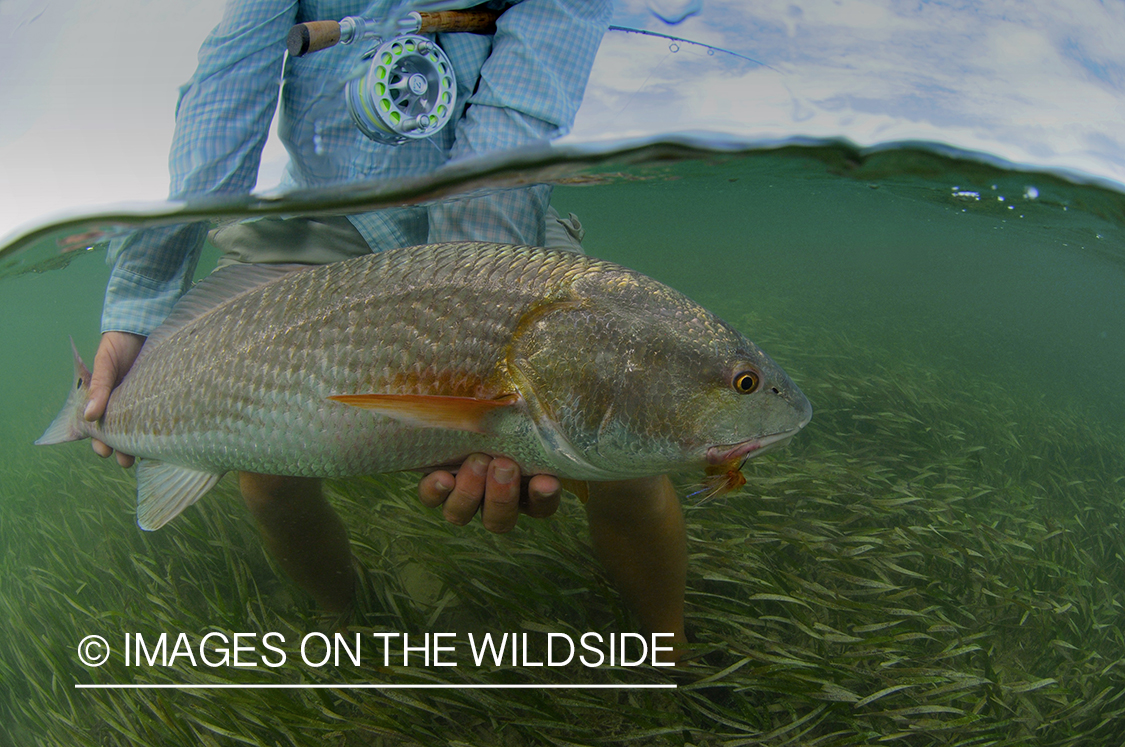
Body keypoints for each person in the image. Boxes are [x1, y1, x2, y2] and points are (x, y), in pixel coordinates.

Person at [85, 0, 688, 658]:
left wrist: (474, 350)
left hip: (494, 201)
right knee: (266, 472)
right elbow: (228, 86)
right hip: (326, 200)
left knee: (624, 454)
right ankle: (347, 618)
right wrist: (139, 305)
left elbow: (520, 106)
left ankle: (667, 645)